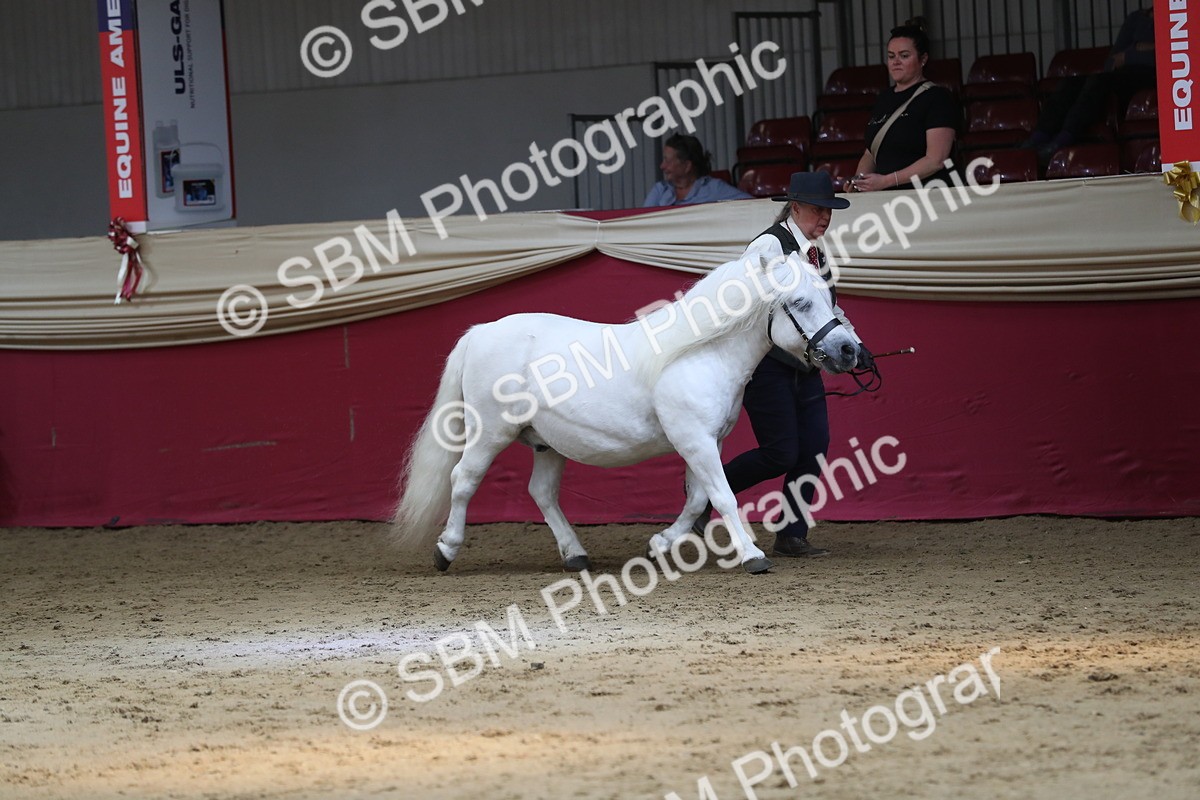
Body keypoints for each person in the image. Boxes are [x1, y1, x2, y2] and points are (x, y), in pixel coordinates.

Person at [693, 171, 873, 557]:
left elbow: (827, 310)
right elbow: (739, 304)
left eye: (828, 210)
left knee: (814, 447)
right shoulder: (767, 247)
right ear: (795, 207)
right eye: (816, 209)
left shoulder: (817, 254)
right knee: (780, 453)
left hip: (806, 366)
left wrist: (856, 343)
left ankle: (792, 532)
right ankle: (702, 498)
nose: (824, 217)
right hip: (769, 366)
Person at [1024, 8, 1156, 164]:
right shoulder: (1136, 18)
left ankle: (1063, 139)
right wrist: (1146, 48)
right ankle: (1039, 137)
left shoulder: (1175, 19)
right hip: (1121, 75)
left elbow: (1164, 54)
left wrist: (1129, 54)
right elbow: (1112, 61)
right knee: (1070, 83)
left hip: (1149, 77)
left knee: (1099, 82)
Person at [850, 22, 958, 192]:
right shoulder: (883, 98)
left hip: (927, 196)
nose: (896, 62)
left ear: (923, 59)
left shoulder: (937, 97)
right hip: (886, 199)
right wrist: (859, 182)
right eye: (891, 56)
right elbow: (870, 153)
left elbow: (936, 159)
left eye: (904, 55)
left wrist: (886, 181)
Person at [642, 133, 751, 207]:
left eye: (668, 161)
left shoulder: (714, 188)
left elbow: (752, 205)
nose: (662, 166)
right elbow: (642, 221)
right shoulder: (660, 190)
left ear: (687, 166)